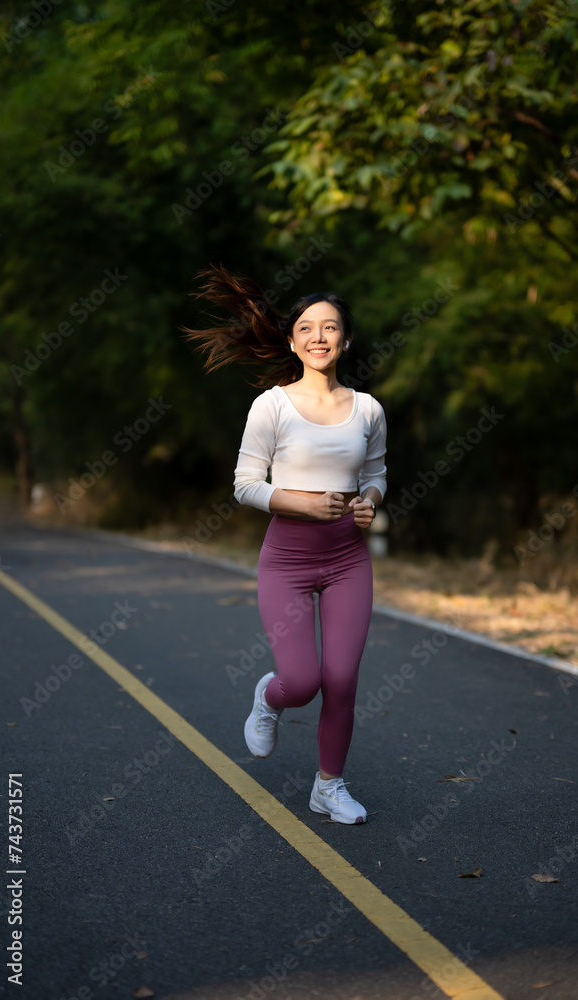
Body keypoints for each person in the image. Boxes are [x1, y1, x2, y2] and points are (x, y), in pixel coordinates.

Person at [180, 263, 387, 824]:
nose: (319, 337)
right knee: (301, 681)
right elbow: (245, 486)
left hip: (347, 558)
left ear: (346, 340)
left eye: (330, 327)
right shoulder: (271, 405)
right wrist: (303, 502)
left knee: (341, 680)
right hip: (287, 560)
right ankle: (266, 699)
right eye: (307, 328)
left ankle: (329, 786)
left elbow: (376, 472)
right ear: (293, 341)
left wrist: (368, 498)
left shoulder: (367, 409)